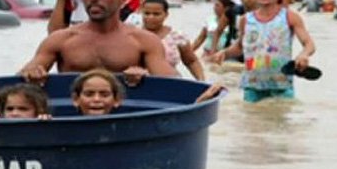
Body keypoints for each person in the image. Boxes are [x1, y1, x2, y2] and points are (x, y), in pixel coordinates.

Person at [20, 0, 178, 85]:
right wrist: (33, 75)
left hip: (126, 121)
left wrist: (146, 78)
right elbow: (18, 83)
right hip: (73, 120)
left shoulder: (144, 41)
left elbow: (174, 85)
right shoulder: (61, 39)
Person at [212, 0, 317, 102]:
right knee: (251, 118)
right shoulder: (246, 19)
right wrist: (224, 53)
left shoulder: (289, 16)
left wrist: (303, 55)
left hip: (281, 83)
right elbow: (240, 46)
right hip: (252, 83)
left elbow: (309, 44)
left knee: (281, 118)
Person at [71, 69, 225, 116]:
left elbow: (173, 123)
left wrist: (201, 101)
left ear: (117, 100)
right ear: (76, 99)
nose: (96, 99)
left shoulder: (126, 125)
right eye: (89, 94)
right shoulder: (65, 127)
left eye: (104, 95)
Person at [141, 0, 205, 80]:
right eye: (147, 13)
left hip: (171, 83)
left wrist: (202, 82)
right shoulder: (132, 35)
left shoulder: (176, 36)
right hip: (139, 86)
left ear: (166, 14)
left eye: (156, 14)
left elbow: (191, 61)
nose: (151, 17)